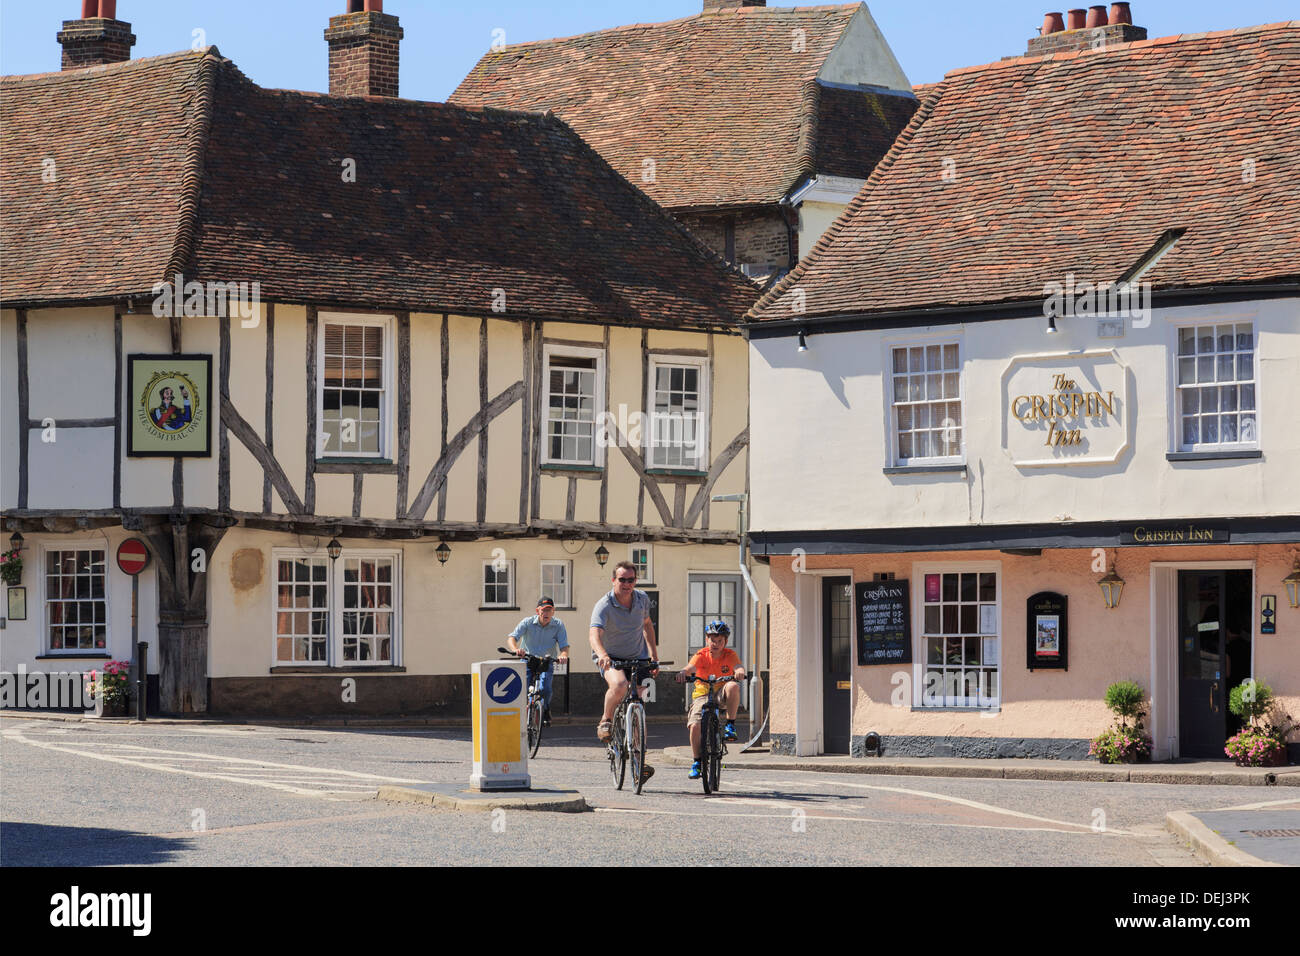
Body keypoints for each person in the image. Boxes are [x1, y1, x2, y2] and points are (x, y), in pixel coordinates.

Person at [589, 560, 658, 782]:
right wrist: (602, 655)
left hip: (638, 657)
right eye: (622, 579)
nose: (626, 584)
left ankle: (640, 758)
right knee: (619, 685)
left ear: (635, 581)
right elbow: (594, 635)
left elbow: (647, 625)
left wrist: (653, 655)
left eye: (630, 580)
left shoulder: (642, 600)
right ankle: (606, 720)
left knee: (639, 702)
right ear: (614, 580)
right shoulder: (604, 605)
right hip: (611, 659)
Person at [676, 619, 746, 779]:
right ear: (707, 639)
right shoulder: (701, 655)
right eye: (712, 640)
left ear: (725, 642)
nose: (715, 644)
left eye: (719, 641)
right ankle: (697, 762)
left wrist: (740, 671)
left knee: (733, 686)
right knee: (695, 726)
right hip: (702, 694)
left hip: (721, 691)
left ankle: (730, 725)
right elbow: (690, 668)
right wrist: (683, 672)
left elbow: (738, 667)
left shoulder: (730, 655)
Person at [507, 597, 569, 725]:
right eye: (543, 610)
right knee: (522, 687)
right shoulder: (527, 622)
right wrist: (516, 649)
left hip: (546, 661)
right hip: (528, 659)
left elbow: (564, 646)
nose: (546, 613)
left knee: (545, 687)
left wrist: (563, 655)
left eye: (549, 610)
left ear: (553, 611)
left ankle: (545, 708)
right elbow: (512, 637)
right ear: (537, 611)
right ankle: (521, 712)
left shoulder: (558, 625)